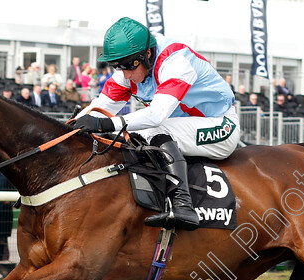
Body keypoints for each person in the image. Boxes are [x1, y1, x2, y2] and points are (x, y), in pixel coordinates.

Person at [71, 17, 239, 231]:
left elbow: (156, 116)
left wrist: (103, 124)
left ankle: (183, 205)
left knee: (152, 129)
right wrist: (69, 128)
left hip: (221, 127)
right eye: (118, 66)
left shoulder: (176, 62)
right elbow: (101, 106)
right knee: (137, 135)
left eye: (128, 65)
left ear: (147, 54)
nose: (125, 74)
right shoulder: (131, 67)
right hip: (184, 128)